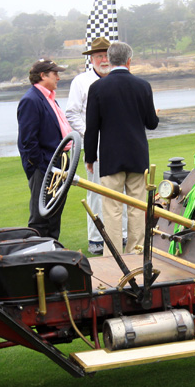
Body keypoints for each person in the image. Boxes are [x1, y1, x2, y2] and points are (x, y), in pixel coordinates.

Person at [84, 41, 159, 256]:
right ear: (129, 61)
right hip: (137, 155)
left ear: (109, 59)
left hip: (110, 156)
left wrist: (90, 156)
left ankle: (113, 256)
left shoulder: (97, 87)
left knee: (112, 210)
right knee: (137, 207)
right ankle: (136, 253)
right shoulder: (142, 86)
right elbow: (151, 122)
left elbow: (92, 128)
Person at [65, 37, 124, 255]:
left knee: (122, 191)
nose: (103, 59)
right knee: (98, 192)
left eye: (106, 55)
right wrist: (90, 134)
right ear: (91, 59)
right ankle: (97, 239)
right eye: (98, 56)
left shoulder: (119, 79)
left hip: (119, 144)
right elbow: (71, 112)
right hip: (96, 146)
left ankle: (123, 234)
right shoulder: (81, 81)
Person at [16, 59, 71, 240]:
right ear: (43, 75)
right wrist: (41, 166)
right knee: (40, 218)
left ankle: (54, 254)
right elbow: (27, 141)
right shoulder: (31, 100)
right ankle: (38, 260)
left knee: (54, 216)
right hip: (44, 167)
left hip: (57, 164)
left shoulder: (48, 98)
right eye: (55, 73)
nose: (58, 77)